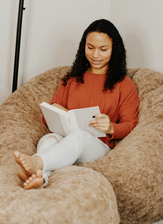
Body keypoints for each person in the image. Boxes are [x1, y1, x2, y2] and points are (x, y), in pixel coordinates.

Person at [14, 19, 139, 189]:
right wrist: (56, 110)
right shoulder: (72, 79)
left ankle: (37, 162)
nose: (95, 55)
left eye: (103, 50)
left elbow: (130, 124)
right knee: (48, 138)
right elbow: (47, 117)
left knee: (78, 136)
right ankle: (41, 177)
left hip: (97, 145)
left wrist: (110, 128)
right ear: (83, 47)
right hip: (66, 138)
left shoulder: (124, 84)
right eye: (90, 47)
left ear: (114, 50)